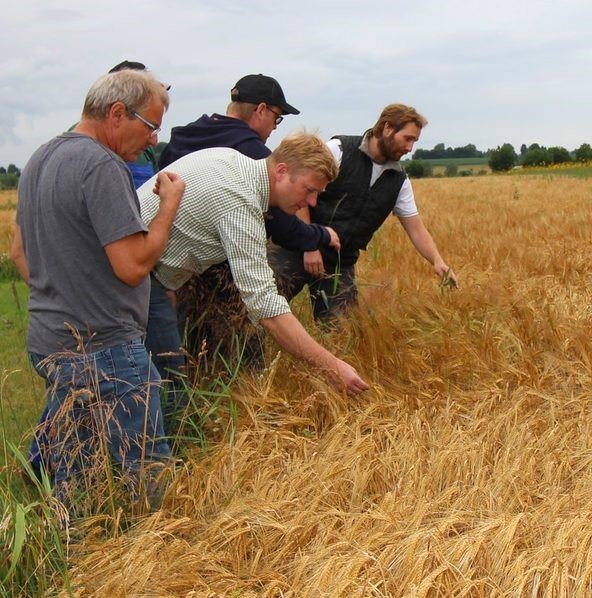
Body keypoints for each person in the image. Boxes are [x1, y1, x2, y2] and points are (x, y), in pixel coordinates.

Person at [10, 70, 184, 512]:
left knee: (75, 476)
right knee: (147, 475)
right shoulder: (103, 166)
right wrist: (167, 208)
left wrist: (66, 292)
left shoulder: (40, 159)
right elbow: (132, 266)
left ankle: (73, 554)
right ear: (117, 113)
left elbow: (18, 253)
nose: (152, 140)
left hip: (51, 341)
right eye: (150, 127)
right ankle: (161, 561)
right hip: (105, 347)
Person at [140, 130, 369, 437]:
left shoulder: (233, 162)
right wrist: (332, 366)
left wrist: (168, 282)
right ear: (282, 171)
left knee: (135, 379)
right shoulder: (240, 203)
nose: (312, 202)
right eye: (309, 189)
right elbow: (265, 306)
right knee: (166, 387)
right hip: (130, 279)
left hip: (143, 275)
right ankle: (162, 468)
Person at [158, 74, 335, 369]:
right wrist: (319, 236)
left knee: (182, 360)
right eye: (277, 119)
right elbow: (281, 227)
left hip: (168, 273)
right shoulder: (251, 159)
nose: (272, 130)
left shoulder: (187, 138)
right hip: (223, 280)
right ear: (261, 110)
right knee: (241, 361)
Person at [268, 104, 458, 322]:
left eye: (414, 141)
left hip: (340, 261)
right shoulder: (339, 149)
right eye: (407, 138)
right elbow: (301, 191)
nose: (410, 148)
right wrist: (308, 244)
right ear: (387, 128)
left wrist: (437, 261)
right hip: (293, 247)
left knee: (341, 332)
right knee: (256, 311)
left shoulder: (399, 180)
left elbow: (415, 227)